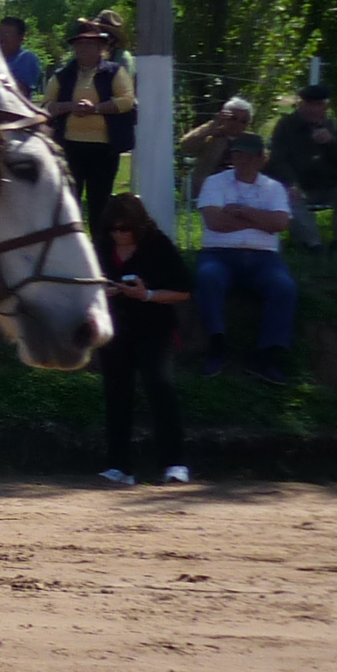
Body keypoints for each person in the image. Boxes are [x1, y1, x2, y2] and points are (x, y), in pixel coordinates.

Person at [95, 192, 193, 486]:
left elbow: (184, 290)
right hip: (114, 329)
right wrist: (106, 291)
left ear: (138, 225)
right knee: (116, 394)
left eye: (125, 228)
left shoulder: (157, 245)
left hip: (154, 328)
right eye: (114, 228)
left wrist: (147, 294)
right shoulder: (100, 246)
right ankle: (119, 466)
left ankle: (175, 463)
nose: (119, 235)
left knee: (160, 390)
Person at [194, 132, 297, 383]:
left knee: (284, 287)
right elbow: (214, 222)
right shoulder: (215, 183)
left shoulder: (274, 188)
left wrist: (242, 211)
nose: (243, 161)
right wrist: (260, 220)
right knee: (207, 278)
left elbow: (280, 223)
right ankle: (217, 346)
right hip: (219, 254)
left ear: (262, 159)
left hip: (264, 258)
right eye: (238, 155)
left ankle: (266, 356)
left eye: (250, 156)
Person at [44, 23, 136, 229]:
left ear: (101, 47)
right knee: (69, 201)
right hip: (69, 146)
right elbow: (46, 106)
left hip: (104, 148)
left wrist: (96, 109)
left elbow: (127, 100)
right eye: (79, 44)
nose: (83, 48)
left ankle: (100, 251)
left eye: (89, 43)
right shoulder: (62, 75)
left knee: (100, 203)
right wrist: (68, 106)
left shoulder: (114, 72)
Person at [267, 83, 337, 252]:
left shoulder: (335, 127)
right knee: (287, 195)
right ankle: (312, 245)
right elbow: (277, 160)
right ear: (301, 104)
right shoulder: (286, 126)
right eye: (309, 104)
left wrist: (331, 143)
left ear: (326, 106)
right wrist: (291, 183)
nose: (313, 109)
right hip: (300, 187)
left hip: (329, 185)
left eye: (318, 104)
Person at [181, 96, 254, 194]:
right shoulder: (211, 136)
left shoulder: (251, 141)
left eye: (243, 121)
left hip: (240, 192)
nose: (237, 123)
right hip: (206, 190)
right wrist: (211, 126)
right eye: (233, 118)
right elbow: (186, 146)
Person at [0, 15, 43, 99]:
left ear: (20, 39)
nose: (1, 38)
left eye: (7, 34)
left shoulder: (26, 58)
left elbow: (22, 92)